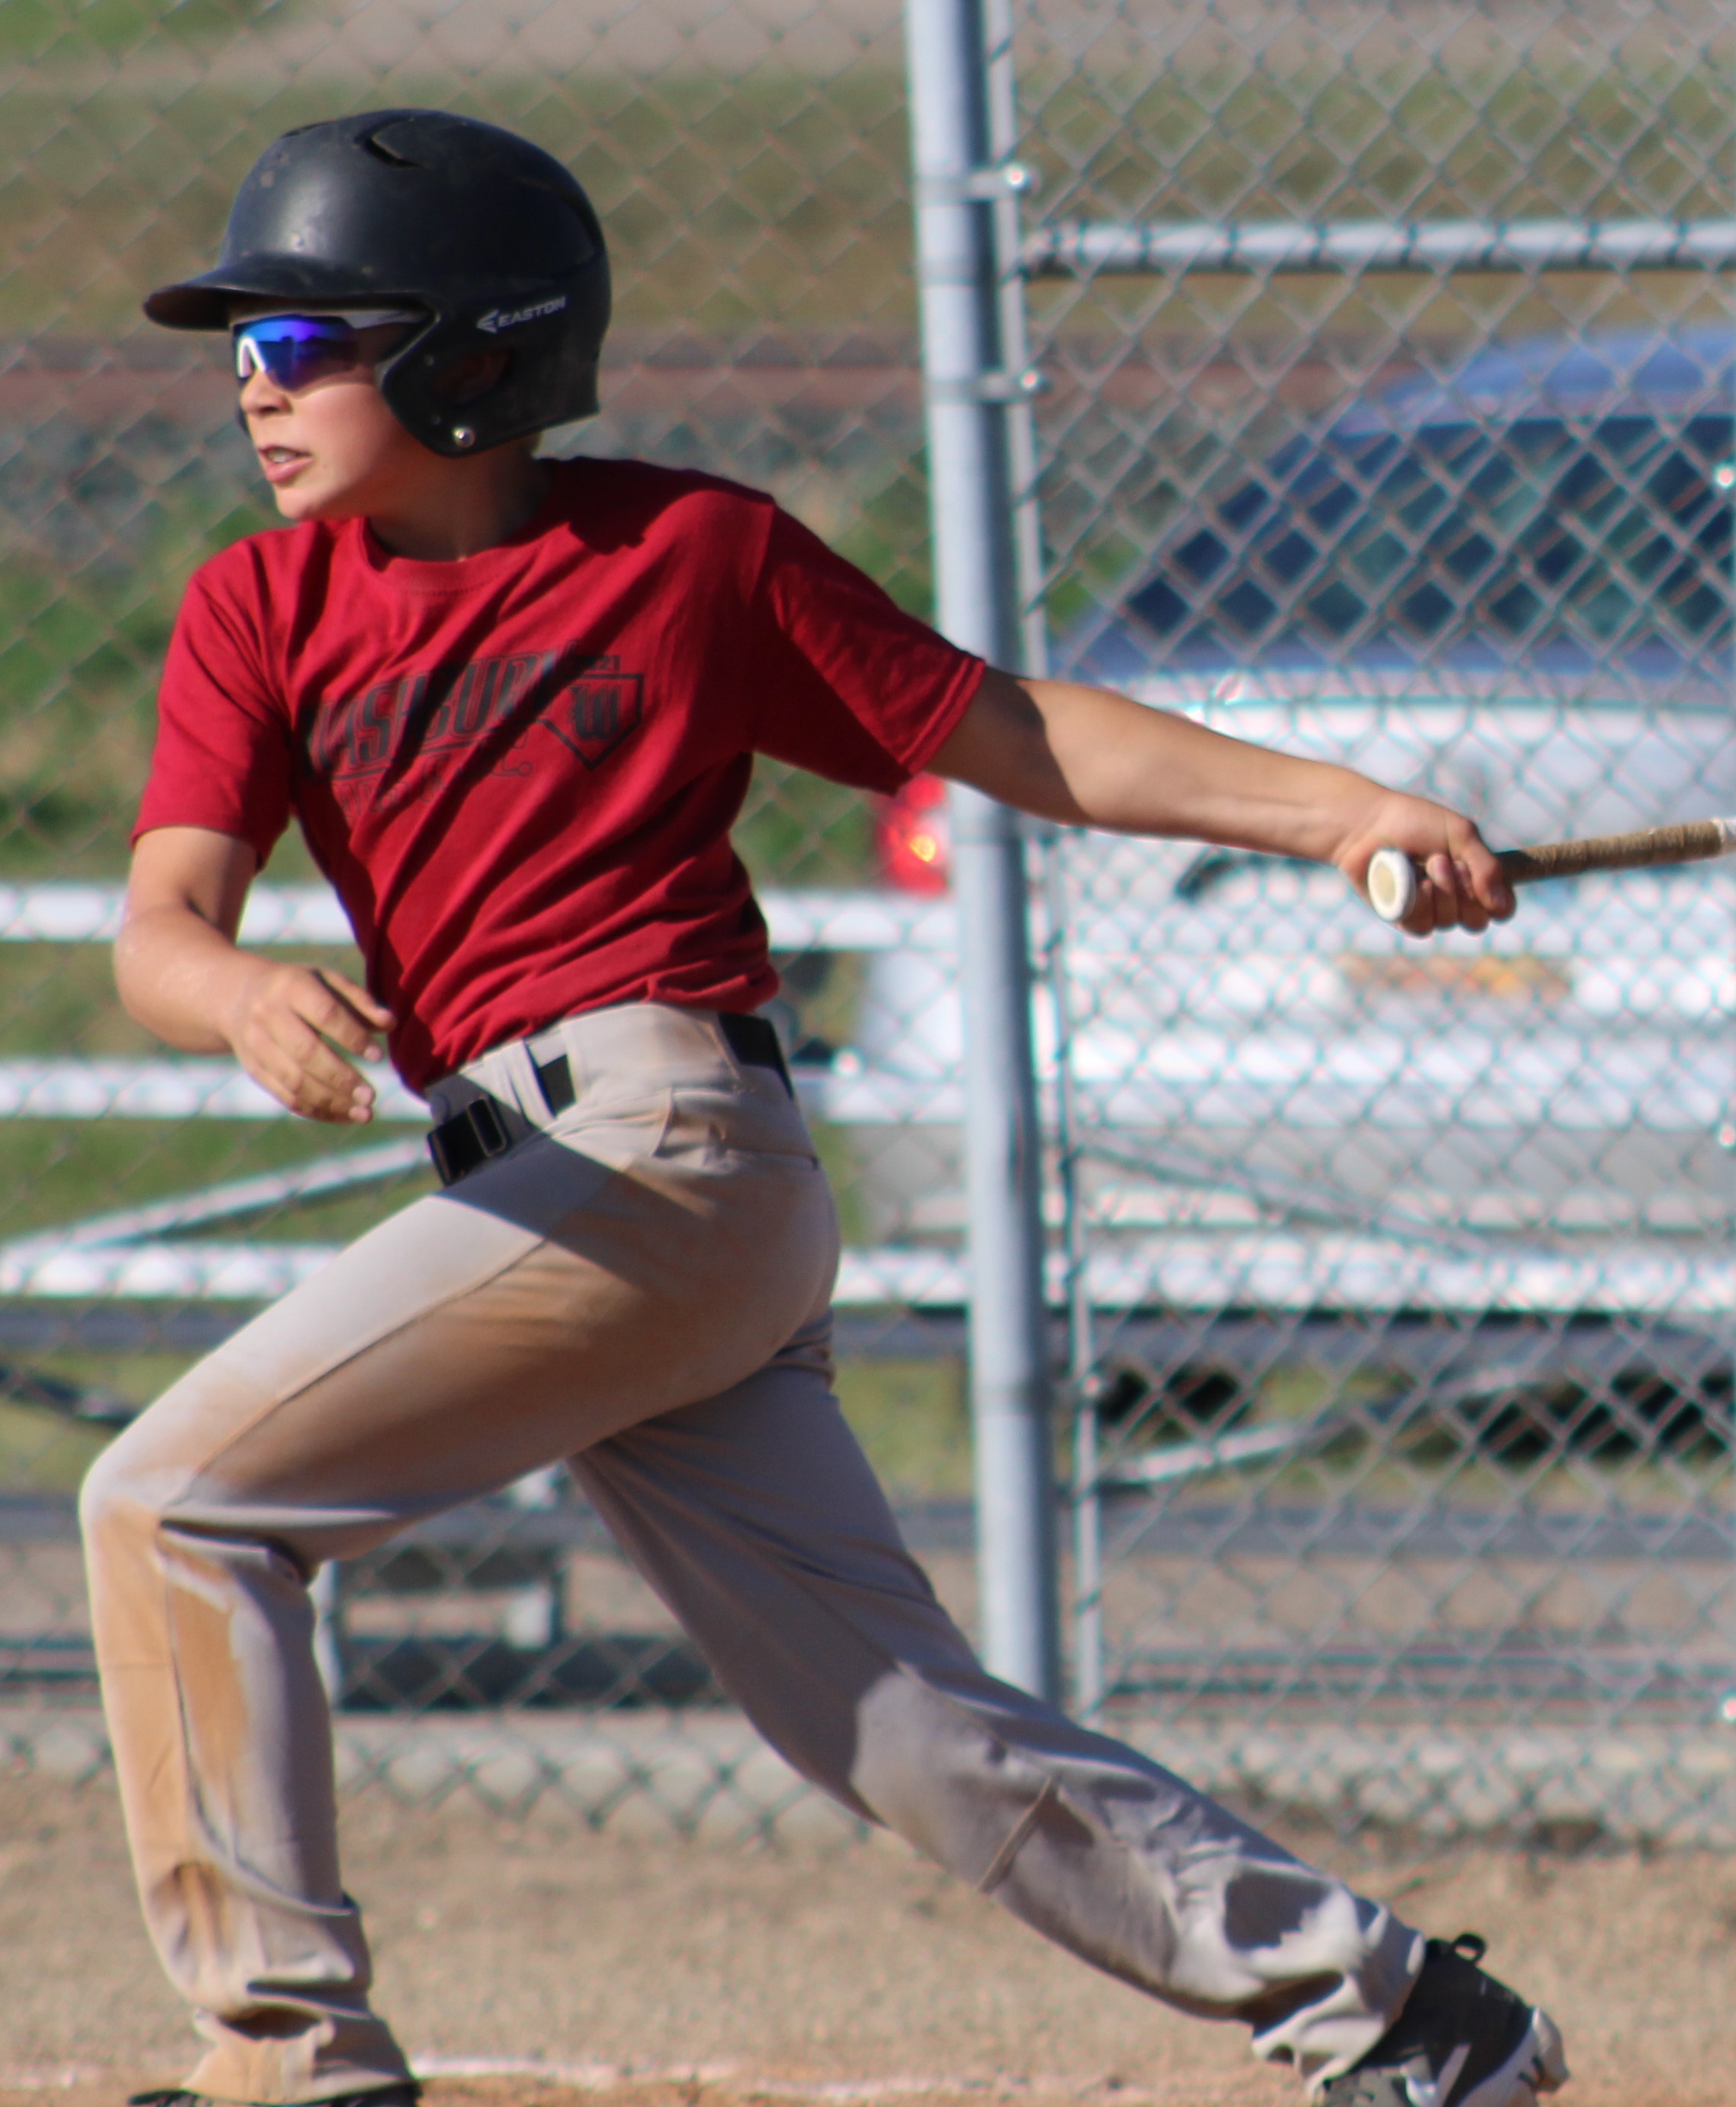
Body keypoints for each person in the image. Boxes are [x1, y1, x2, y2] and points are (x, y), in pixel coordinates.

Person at [87, 108, 1570, 2107]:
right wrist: (244, 992)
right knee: (900, 1726)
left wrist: (1345, 815)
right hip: (565, 1194)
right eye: (239, 351)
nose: (250, 391)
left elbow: (1021, 735)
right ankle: (1398, 2012)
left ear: (465, 355)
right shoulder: (258, 607)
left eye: (297, 344)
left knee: (169, 1502)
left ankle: (288, 2056)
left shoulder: (688, 555)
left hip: (659, 1150)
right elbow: (161, 926)